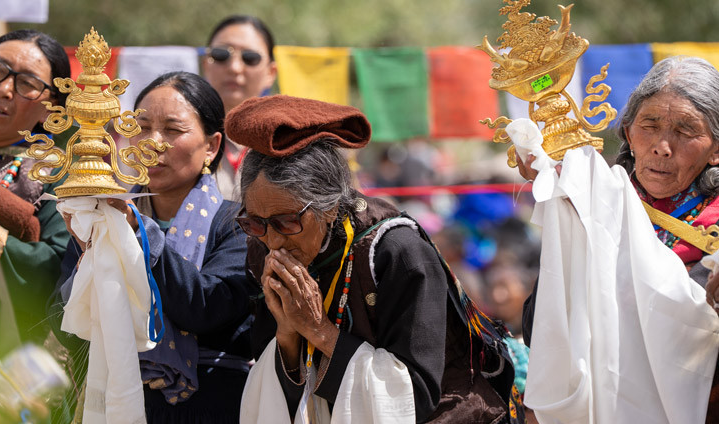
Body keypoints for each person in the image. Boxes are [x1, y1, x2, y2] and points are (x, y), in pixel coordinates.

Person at [229, 95, 521, 423]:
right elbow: (277, 387)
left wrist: (317, 329)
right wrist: (287, 333)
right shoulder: (261, 250)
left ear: (327, 206)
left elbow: (414, 396)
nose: (273, 240)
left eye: (287, 222)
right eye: (255, 222)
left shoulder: (398, 252)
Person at [517, 56, 719, 422]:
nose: (662, 146)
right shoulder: (595, 208)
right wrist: (573, 234)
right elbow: (540, 328)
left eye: (686, 131)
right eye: (649, 125)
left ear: (716, 148)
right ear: (627, 133)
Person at [55, 72, 251, 423]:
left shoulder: (238, 224)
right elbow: (67, 321)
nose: (153, 142)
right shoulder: (105, 220)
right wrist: (89, 252)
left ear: (211, 145)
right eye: (141, 126)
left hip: (213, 407)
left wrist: (139, 235)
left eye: (173, 130)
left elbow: (207, 308)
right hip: (119, 402)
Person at [0, 29, 71, 345]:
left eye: (26, 84)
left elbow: (55, 268)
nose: (3, 89)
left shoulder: (57, 176)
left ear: (51, 107)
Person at [202, 15, 277, 200]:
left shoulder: (289, 141)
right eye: (221, 55)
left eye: (250, 58)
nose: (234, 67)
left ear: (271, 72)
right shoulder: (179, 134)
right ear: (206, 65)